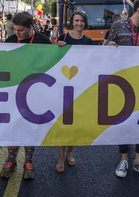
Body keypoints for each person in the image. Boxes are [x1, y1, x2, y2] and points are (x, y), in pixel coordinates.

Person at [105, 0, 139, 180]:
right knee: (123, 121)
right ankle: (124, 159)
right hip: (121, 81)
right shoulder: (117, 26)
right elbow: (105, 47)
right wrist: (107, 46)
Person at [0, 12, 51, 181]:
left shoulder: (43, 40)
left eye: (21, 30)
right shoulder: (10, 41)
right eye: (15, 29)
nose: (17, 33)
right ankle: (11, 160)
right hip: (14, 90)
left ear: (31, 27)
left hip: (36, 90)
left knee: (30, 127)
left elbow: (53, 62)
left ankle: (28, 160)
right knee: (13, 126)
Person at [55, 12, 93, 174]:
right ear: (72, 22)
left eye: (82, 21)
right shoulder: (63, 38)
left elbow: (94, 60)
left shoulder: (89, 41)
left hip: (79, 86)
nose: (79, 23)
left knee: (74, 124)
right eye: (76, 20)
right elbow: (54, 60)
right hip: (63, 87)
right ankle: (60, 158)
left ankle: (70, 152)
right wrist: (57, 46)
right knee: (62, 124)